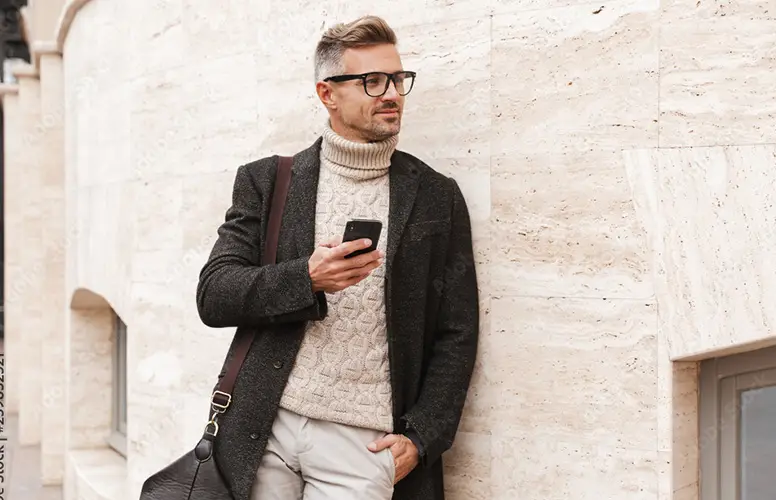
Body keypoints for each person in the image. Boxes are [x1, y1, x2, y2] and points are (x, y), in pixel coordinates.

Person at [196, 14, 479, 500]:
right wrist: (306, 278)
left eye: (397, 79)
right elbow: (214, 295)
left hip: (364, 444)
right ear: (327, 93)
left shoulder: (436, 195)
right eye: (371, 81)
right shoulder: (268, 181)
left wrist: (422, 435)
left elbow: (458, 330)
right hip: (266, 426)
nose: (391, 93)